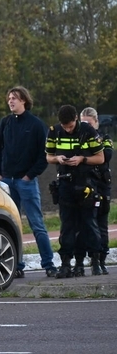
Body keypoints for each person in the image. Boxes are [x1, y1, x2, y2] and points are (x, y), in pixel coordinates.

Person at [0, 86, 56, 277]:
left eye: (15, 98)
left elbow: (43, 155)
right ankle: (17, 266)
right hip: (7, 182)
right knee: (12, 224)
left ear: (24, 101)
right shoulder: (5, 123)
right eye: (9, 98)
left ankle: (49, 264)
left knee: (36, 224)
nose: (11, 101)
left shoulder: (36, 125)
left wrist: (30, 175)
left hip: (26, 182)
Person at [45, 105, 105, 278]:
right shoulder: (54, 131)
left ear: (76, 120)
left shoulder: (88, 131)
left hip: (85, 183)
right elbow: (48, 156)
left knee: (88, 224)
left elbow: (100, 158)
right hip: (65, 183)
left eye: (70, 126)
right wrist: (57, 158)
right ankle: (66, 263)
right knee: (67, 225)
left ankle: (94, 261)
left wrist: (82, 159)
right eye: (65, 127)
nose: (67, 130)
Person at [77, 107, 112, 275]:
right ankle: (87, 260)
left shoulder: (104, 139)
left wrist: (86, 157)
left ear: (96, 123)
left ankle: (101, 260)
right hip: (86, 187)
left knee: (101, 225)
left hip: (102, 186)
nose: (86, 127)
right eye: (83, 123)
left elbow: (106, 156)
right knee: (85, 225)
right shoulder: (78, 139)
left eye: (89, 124)